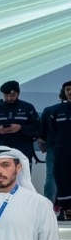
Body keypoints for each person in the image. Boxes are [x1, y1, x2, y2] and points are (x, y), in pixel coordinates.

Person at [38, 80, 71, 219]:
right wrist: (44, 142)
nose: (70, 92)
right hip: (58, 151)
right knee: (53, 179)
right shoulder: (53, 111)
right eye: (68, 89)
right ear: (63, 92)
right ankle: (49, 211)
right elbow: (44, 132)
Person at [0, 80, 40, 160]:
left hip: (23, 150)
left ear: (18, 93)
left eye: (12, 95)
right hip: (1, 150)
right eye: (6, 95)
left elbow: (37, 126)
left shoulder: (28, 108)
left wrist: (21, 128)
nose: (9, 98)